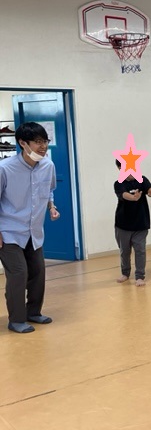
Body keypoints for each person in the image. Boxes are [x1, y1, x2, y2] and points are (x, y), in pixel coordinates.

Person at [0, 122, 59, 334]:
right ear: (23, 143)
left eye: (45, 141)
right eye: (37, 142)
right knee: (18, 273)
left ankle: (33, 312)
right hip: (8, 232)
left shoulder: (48, 166)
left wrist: (52, 206)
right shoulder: (5, 169)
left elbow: (49, 190)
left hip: (34, 231)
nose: (43, 146)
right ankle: (16, 320)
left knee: (37, 272)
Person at [114, 160, 151, 286]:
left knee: (140, 250)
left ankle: (140, 276)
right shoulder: (119, 183)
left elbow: (149, 190)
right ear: (120, 168)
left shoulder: (142, 180)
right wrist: (133, 197)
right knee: (124, 251)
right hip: (123, 224)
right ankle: (125, 273)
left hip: (140, 223)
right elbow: (123, 194)